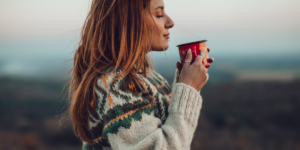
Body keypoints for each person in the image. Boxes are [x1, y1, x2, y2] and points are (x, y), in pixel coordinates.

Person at [68, 0, 214, 149]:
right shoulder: (114, 87)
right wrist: (188, 89)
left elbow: (170, 127)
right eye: (159, 14)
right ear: (129, 22)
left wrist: (185, 83)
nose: (170, 22)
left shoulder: (147, 78)